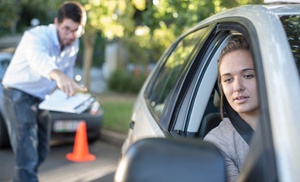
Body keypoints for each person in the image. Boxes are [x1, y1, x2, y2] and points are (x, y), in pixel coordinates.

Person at [1, 1, 87, 181]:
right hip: (18, 93)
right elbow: (40, 61)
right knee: (27, 152)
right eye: (66, 29)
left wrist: (71, 90)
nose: (71, 35)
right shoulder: (36, 36)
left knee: (42, 150)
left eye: (76, 30)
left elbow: (68, 72)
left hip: (42, 98)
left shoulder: (74, 43)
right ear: (57, 22)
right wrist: (58, 75)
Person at [204, 35, 259, 182]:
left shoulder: (292, 119)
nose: (237, 87)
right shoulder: (217, 143)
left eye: (248, 75)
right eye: (228, 79)